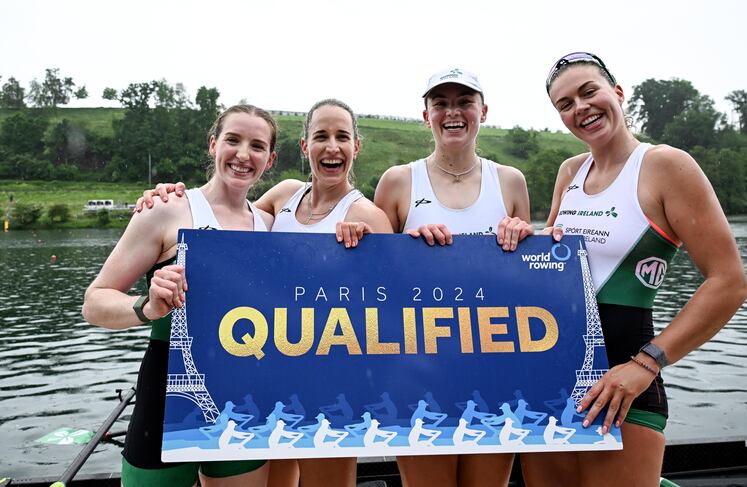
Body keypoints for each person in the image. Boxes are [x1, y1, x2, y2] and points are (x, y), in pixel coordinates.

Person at [135, 98, 393, 487]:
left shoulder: (369, 216)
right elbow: (228, 227)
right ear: (305, 147)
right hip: (265, 371)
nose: (332, 146)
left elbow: (388, 304)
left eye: (342, 137)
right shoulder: (283, 196)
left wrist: (369, 253)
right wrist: (171, 199)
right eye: (321, 136)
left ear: (356, 147)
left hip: (327, 378)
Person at [519, 52, 747, 486]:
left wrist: (646, 365)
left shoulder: (665, 165)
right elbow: (549, 262)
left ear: (618, 93)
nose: (580, 108)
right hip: (550, 378)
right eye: (565, 104)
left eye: (589, 92)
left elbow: (729, 282)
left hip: (624, 384)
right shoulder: (570, 171)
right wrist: (518, 234)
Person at [82, 104, 278, 487]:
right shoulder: (167, 209)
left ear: (270, 160)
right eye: (232, 140)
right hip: (167, 387)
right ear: (212, 144)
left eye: (257, 146)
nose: (243, 154)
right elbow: (95, 301)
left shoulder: (269, 225)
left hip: (244, 393)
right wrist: (146, 306)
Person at [372, 68, 531, 487]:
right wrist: (405, 249)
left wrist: (526, 236)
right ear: (426, 115)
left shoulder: (511, 181)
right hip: (417, 370)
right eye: (441, 103)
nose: (453, 112)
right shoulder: (398, 181)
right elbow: (371, 284)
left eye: (464, 102)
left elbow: (527, 284)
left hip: (495, 369)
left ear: (483, 111)